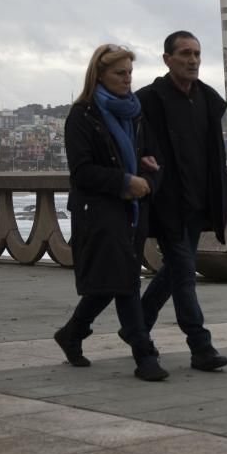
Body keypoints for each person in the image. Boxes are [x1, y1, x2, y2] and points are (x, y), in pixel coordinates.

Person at [55, 44, 169, 382]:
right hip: (99, 210)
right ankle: (143, 353)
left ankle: (73, 331)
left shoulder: (135, 113)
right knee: (125, 282)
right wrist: (124, 181)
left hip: (133, 208)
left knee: (112, 282)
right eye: (120, 73)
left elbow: (153, 158)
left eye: (130, 73)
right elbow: (81, 171)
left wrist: (147, 180)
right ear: (99, 74)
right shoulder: (82, 115)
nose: (127, 80)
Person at [134, 31, 227, 371]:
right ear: (167, 59)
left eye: (197, 54)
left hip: (197, 202)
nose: (192, 60)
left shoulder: (206, 98)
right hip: (166, 200)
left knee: (176, 268)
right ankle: (201, 347)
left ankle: (134, 325)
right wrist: (140, 158)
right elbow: (131, 143)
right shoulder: (148, 99)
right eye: (185, 53)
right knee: (185, 272)